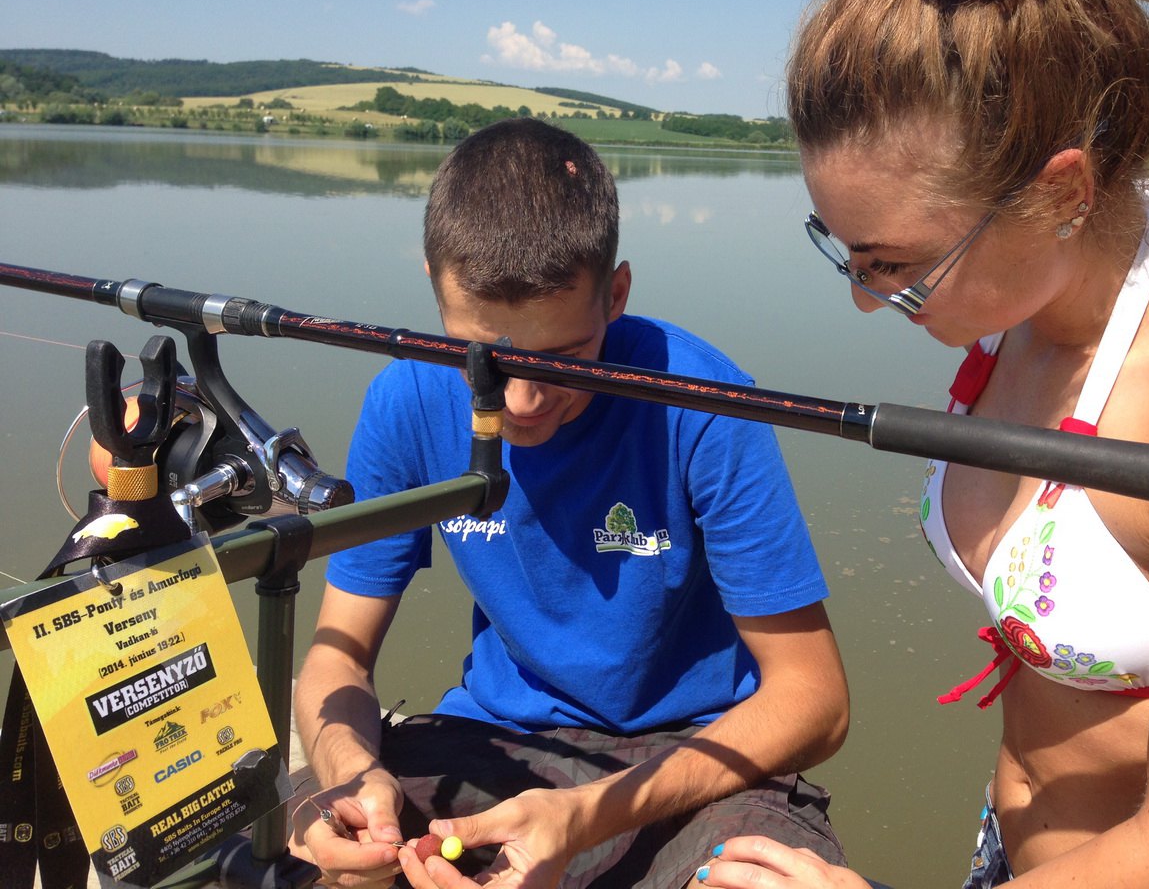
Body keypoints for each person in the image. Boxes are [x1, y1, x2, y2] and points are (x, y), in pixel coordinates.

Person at [697, 0, 1149, 888]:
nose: (864, 296)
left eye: (896, 265)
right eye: (841, 248)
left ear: (1061, 192)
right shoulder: (1026, 300)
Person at [290, 118, 851, 889]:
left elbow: (814, 700)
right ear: (434, 285)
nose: (522, 401)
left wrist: (587, 813)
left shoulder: (705, 402)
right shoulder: (405, 400)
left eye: (562, 358)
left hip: (693, 755)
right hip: (494, 736)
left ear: (615, 294)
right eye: (482, 357)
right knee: (307, 841)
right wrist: (353, 777)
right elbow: (338, 654)